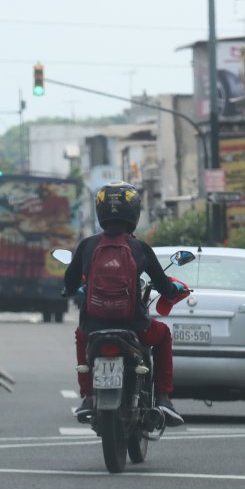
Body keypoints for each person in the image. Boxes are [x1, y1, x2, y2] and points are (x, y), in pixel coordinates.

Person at [63, 181, 185, 427]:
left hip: (94, 324)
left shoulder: (87, 246)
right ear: (134, 212)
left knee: (80, 334)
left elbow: (70, 280)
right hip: (134, 325)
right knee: (163, 335)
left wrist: (68, 290)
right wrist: (173, 290)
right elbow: (162, 284)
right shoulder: (138, 247)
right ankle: (163, 398)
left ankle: (87, 396)